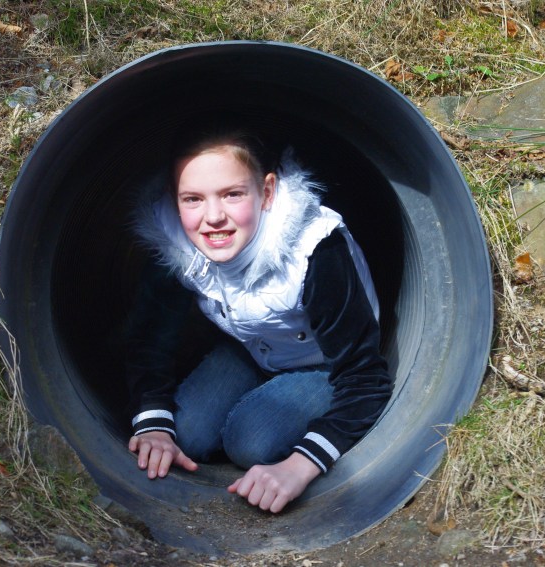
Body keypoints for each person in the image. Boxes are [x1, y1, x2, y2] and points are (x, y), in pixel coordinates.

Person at [125, 128, 392, 514]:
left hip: (325, 364)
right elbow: (149, 339)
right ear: (174, 198)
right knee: (185, 435)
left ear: (266, 192)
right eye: (193, 199)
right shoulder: (175, 242)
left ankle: (263, 414)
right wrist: (151, 422)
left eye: (232, 194)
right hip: (250, 349)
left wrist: (300, 465)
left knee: (250, 442)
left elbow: (366, 379)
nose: (213, 217)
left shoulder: (314, 250)